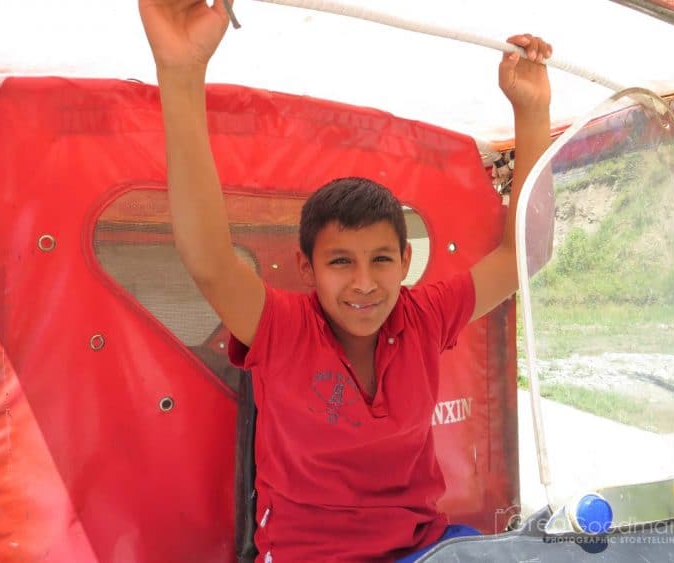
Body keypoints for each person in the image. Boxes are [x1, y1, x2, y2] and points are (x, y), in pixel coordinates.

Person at [138, 1, 551, 561]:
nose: (364, 283)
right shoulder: (283, 328)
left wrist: (532, 112)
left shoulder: (422, 316)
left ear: (405, 261)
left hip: (424, 547)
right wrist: (181, 74)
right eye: (340, 262)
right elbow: (208, 259)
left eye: (381, 259)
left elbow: (526, 252)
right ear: (307, 268)